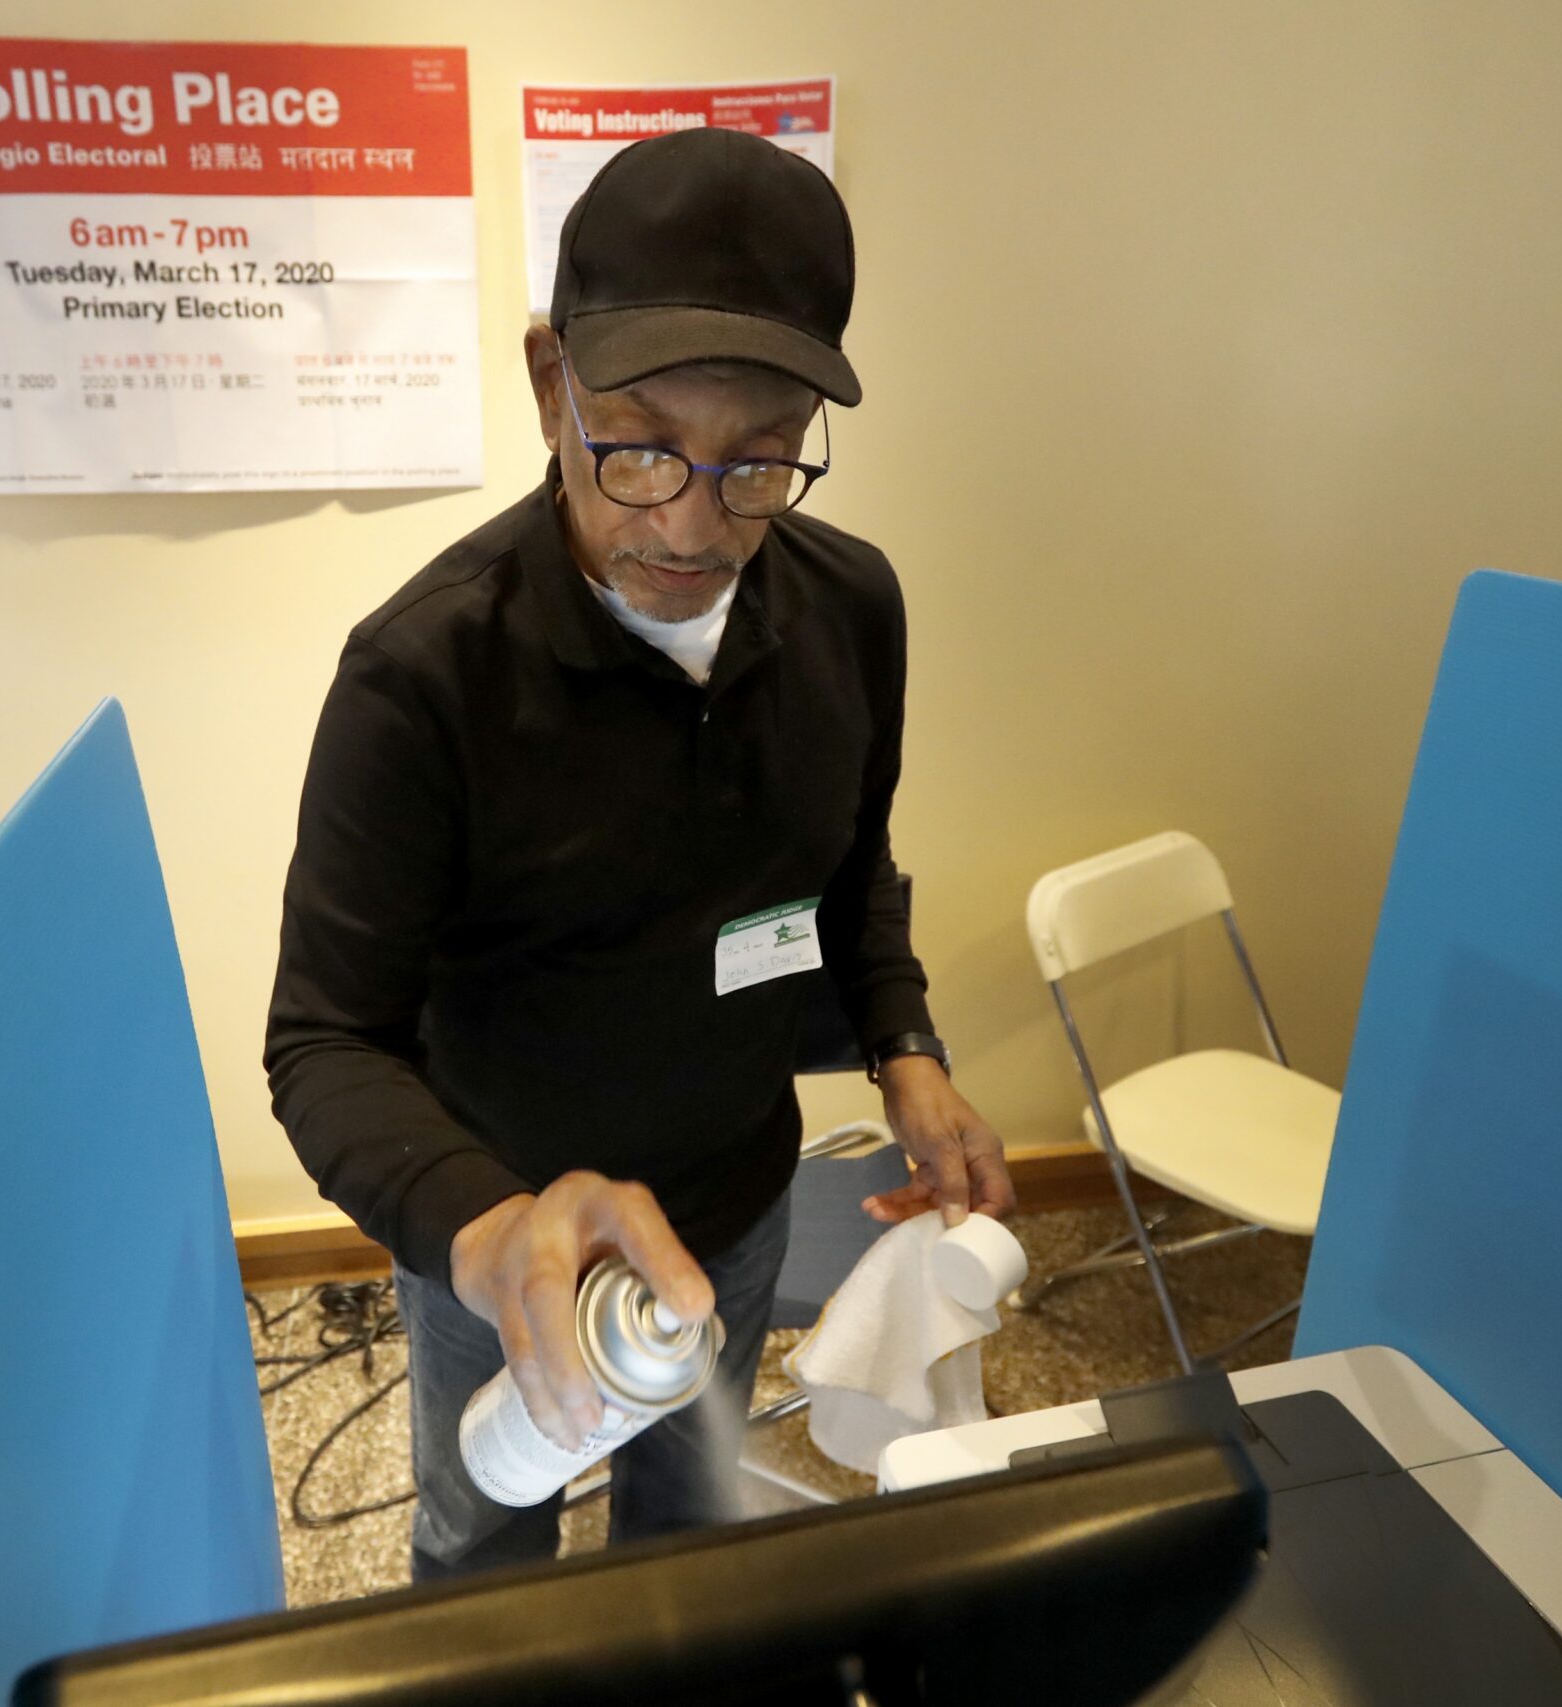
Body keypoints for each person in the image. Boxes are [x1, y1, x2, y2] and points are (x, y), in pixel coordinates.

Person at [266, 126, 1014, 1581]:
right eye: (641, 445)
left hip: (730, 1203)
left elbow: (850, 871)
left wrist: (903, 1043)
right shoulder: (423, 676)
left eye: (757, 466)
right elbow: (325, 1041)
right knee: (487, 1549)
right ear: (552, 385)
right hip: (507, 1234)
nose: (687, 522)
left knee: (686, 1537)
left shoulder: (853, 607)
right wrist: (483, 1237)